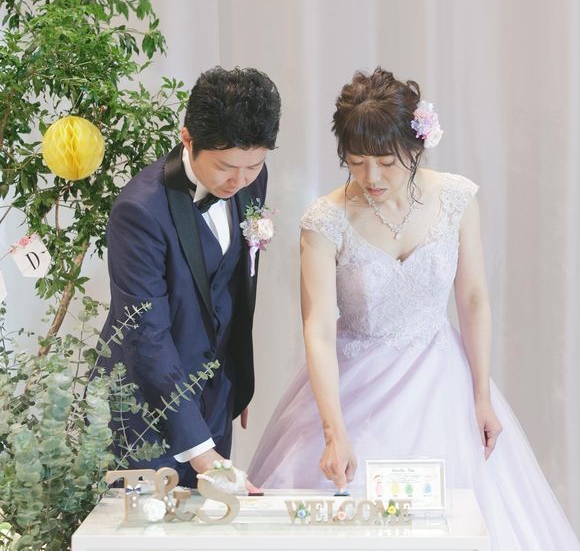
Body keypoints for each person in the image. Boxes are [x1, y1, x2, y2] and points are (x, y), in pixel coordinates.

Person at [248, 68, 579, 549]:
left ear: (416, 146)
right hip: (356, 386)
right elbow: (317, 327)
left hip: (442, 382)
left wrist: (481, 395)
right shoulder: (325, 220)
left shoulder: (457, 198)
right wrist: (333, 429)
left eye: (386, 162)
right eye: (356, 162)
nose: (371, 178)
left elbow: (473, 299)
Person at [99, 66, 281, 487]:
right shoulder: (139, 211)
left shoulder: (249, 182)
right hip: (145, 411)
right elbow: (145, 336)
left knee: (212, 519)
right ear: (187, 138)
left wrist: (238, 379)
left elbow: (235, 288)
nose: (239, 180)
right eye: (226, 167)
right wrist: (201, 453)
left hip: (215, 400)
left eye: (254, 166)